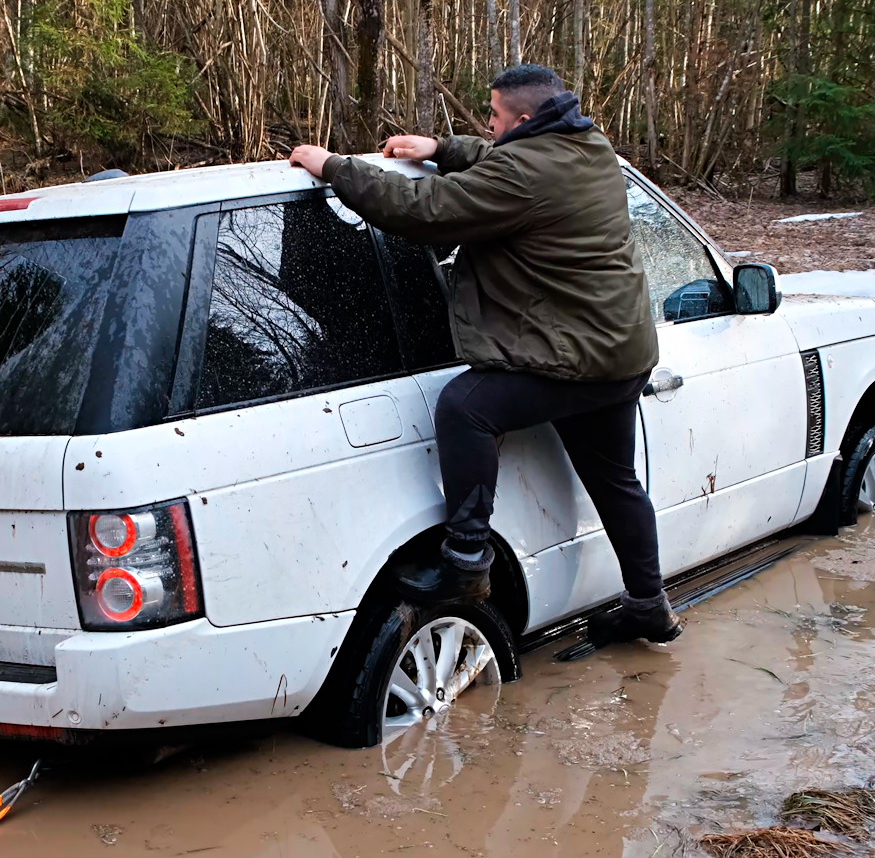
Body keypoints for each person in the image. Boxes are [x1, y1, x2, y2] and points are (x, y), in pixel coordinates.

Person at [287, 64, 680, 646]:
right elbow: (505, 160)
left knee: (466, 406)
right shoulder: (588, 145)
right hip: (621, 354)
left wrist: (335, 167)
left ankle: (467, 562)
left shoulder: (521, 171)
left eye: (494, 117)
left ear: (523, 119)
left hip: (575, 358)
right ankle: (649, 605)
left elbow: (422, 210)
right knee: (617, 481)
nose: (490, 127)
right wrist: (443, 148)